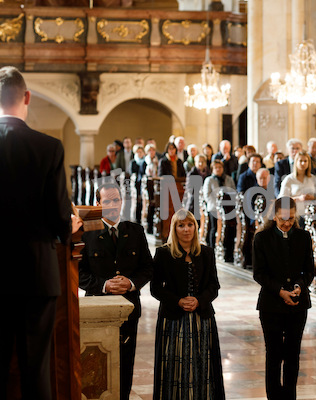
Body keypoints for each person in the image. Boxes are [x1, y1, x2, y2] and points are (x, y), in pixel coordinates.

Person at [0, 66, 72, 400]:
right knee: (35, 370)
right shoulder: (49, 148)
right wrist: (70, 226)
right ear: (26, 97)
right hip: (36, 275)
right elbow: (60, 220)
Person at [78, 183, 154, 399]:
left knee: (126, 362)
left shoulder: (135, 231)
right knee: (97, 366)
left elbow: (147, 268)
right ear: (98, 204)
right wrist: (104, 285)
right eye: (107, 201)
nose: (113, 205)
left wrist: (130, 283)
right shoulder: (86, 233)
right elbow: (79, 274)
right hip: (97, 310)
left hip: (129, 307)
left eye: (116, 200)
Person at [151, 209, 225, 400]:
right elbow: (155, 288)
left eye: (190, 225)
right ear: (174, 229)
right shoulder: (163, 254)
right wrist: (178, 300)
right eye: (181, 225)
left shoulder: (206, 253)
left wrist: (199, 300)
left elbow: (214, 286)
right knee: (176, 365)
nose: (186, 229)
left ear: (196, 227)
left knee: (202, 364)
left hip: (202, 319)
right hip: (174, 320)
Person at [252, 197, 314, 400]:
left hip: (298, 303)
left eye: (290, 219)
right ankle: (274, 397)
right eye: (282, 219)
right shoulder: (262, 238)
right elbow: (259, 273)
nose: (286, 223)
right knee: (274, 354)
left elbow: (309, 271)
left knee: (292, 354)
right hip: (271, 303)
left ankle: (289, 396)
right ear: (274, 216)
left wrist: (298, 287)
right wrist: (280, 291)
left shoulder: (303, 237)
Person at [203, 159, 236, 248]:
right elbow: (207, 195)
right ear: (212, 169)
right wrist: (218, 206)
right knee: (214, 228)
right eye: (216, 167)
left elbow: (234, 192)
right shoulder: (209, 180)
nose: (218, 169)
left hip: (228, 207)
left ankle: (226, 248)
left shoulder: (228, 179)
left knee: (230, 228)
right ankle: (211, 247)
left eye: (220, 167)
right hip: (214, 207)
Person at [279, 151, 316, 216]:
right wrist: (299, 198)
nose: (303, 163)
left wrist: (311, 197)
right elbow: (282, 200)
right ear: (296, 162)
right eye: (300, 161)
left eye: (305, 161)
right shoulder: (289, 179)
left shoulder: (312, 178)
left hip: (310, 214)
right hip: (294, 214)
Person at [130, 144, 147, 224]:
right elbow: (132, 173)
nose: (139, 154)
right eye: (138, 152)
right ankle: (136, 219)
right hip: (136, 183)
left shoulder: (145, 162)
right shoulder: (133, 162)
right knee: (137, 201)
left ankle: (143, 218)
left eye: (141, 152)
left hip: (144, 183)